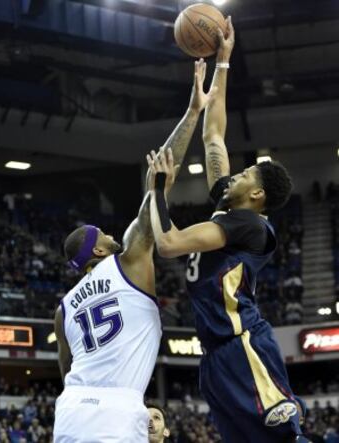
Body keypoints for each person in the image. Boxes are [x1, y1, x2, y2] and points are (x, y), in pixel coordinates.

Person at [147, 17, 308, 443]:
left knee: (285, 440)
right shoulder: (228, 201)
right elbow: (214, 136)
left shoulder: (249, 226)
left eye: (246, 174)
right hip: (215, 356)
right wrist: (222, 62)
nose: (236, 173)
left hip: (244, 345)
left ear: (257, 196)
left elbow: (168, 244)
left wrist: (156, 190)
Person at [53, 59, 215, 443]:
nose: (113, 236)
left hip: (71, 410)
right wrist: (193, 111)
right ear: (97, 253)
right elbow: (157, 180)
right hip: (116, 410)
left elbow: (67, 370)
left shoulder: (63, 310)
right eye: (106, 236)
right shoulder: (128, 261)